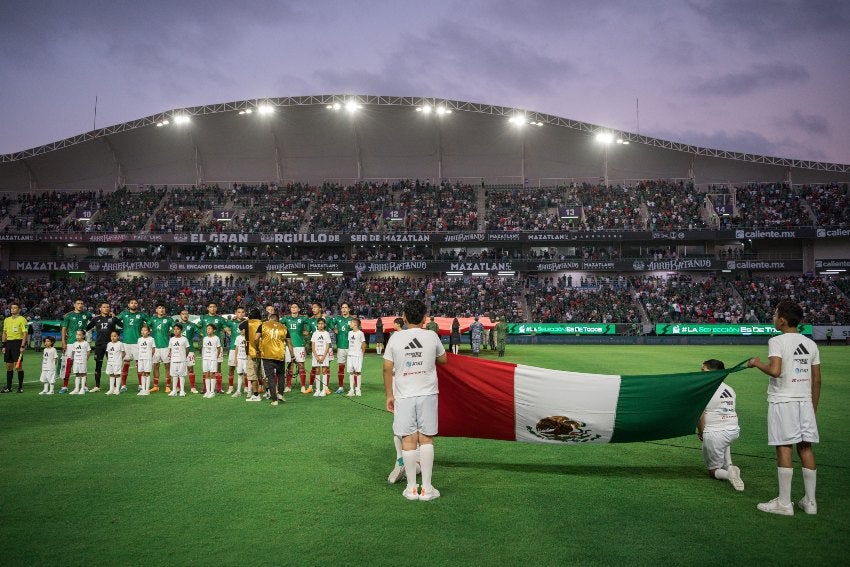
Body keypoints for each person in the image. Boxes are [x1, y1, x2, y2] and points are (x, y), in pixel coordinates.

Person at [748, 300, 821, 516]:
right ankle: (810, 502)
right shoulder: (811, 344)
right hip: (805, 401)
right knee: (805, 447)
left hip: (783, 400)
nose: (773, 317)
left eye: (775, 314)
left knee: (784, 446)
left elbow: (775, 370)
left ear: (782, 320)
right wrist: (812, 409)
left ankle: (784, 503)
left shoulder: (777, 341)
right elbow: (817, 380)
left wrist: (756, 363)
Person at [383, 299, 448, 501]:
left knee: (408, 440)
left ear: (403, 317)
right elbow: (444, 359)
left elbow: (386, 368)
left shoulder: (395, 338)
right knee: (426, 438)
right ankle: (427, 489)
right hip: (427, 393)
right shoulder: (431, 335)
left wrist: (389, 395)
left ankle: (411, 489)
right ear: (425, 318)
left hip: (403, 394)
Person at [697, 359, 744, 491]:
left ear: (713, 374)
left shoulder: (705, 390)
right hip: (733, 430)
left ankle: (728, 474)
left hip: (715, 434)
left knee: (713, 470)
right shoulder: (730, 389)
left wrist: (701, 432)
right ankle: (729, 465)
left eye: (703, 371)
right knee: (723, 439)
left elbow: (700, 415)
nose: (700, 373)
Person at [255, 311, 293, 406]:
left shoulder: (263, 325)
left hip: (267, 355)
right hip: (280, 355)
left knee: (271, 377)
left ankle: (274, 400)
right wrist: (292, 355)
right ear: (278, 319)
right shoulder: (284, 328)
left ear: (269, 318)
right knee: (280, 375)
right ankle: (280, 394)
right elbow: (289, 343)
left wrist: (257, 349)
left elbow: (256, 339)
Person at [86, 302, 123, 393]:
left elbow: (123, 326)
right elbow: (86, 328)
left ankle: (115, 387)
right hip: (99, 345)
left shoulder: (113, 318)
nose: (106, 308)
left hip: (111, 345)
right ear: (100, 309)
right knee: (98, 366)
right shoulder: (96, 319)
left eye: (108, 307)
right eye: (104, 307)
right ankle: (97, 386)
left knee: (114, 365)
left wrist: (116, 318)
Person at [59, 299, 92, 394]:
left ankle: (84, 386)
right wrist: (63, 342)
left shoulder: (87, 314)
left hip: (83, 343)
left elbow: (95, 318)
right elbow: (64, 329)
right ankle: (65, 386)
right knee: (68, 364)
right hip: (71, 342)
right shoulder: (69, 316)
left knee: (83, 364)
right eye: (78, 303)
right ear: (74, 305)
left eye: (82, 303)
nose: (80, 305)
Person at [117, 298, 148, 392]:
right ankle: (123, 386)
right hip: (126, 343)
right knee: (125, 365)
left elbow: (150, 322)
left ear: (137, 305)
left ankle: (140, 385)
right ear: (128, 304)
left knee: (140, 365)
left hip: (137, 343)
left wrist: (145, 329)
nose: (133, 304)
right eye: (132, 303)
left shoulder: (141, 315)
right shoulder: (124, 314)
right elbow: (115, 320)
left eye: (135, 303)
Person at [198, 303, 228, 393]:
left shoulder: (220, 319)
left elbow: (226, 328)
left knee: (218, 367)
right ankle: (205, 388)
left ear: (216, 308)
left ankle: (218, 388)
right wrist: (201, 333)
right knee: (206, 368)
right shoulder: (203, 318)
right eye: (210, 307)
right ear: (208, 308)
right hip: (206, 347)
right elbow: (197, 327)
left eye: (214, 307)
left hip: (217, 346)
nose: (212, 308)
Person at [281, 303, 308, 393]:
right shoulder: (286, 318)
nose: (293, 308)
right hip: (289, 346)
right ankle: (288, 386)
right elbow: (276, 322)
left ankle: (303, 386)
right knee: (290, 366)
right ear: (290, 309)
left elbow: (310, 323)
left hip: (299, 345)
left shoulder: (303, 318)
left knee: (301, 366)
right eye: (292, 307)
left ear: (299, 309)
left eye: (295, 307)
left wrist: (306, 331)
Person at [2, 302, 28, 393]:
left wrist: (23, 345)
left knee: (18, 366)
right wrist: (4, 345)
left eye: (15, 308)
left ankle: (20, 387)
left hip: (17, 343)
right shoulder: (7, 320)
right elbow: (4, 333)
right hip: (8, 343)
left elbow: (25, 333)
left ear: (19, 309)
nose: (12, 309)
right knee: (9, 366)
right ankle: (8, 387)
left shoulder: (22, 319)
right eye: (11, 308)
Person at [148, 303, 174, 393]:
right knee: (156, 366)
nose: (161, 309)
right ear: (156, 310)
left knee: (167, 366)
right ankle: (156, 386)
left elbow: (176, 327)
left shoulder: (169, 319)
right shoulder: (152, 319)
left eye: (163, 308)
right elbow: (145, 327)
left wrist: (170, 333)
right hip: (155, 347)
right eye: (159, 308)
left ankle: (168, 386)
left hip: (166, 347)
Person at [240, 308, 264, 402]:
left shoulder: (247, 323)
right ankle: (268, 392)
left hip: (251, 351)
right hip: (262, 351)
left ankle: (256, 395)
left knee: (252, 374)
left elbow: (240, 326)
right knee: (262, 374)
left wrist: (247, 319)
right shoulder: (262, 322)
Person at [330, 302, 354, 394]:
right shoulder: (337, 318)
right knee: (341, 367)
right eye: (342, 307)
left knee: (352, 368)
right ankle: (341, 387)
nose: (344, 309)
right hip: (340, 347)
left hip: (351, 347)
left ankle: (353, 387)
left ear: (349, 309)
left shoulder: (352, 319)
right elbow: (329, 323)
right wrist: (334, 329)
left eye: (346, 307)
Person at [177, 309, 201, 393]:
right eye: (183, 314)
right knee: (179, 369)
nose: (185, 315)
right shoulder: (177, 325)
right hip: (178, 350)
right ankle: (178, 387)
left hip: (190, 350)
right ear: (180, 315)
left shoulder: (192, 325)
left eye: (186, 314)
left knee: (190, 369)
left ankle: (193, 387)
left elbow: (200, 333)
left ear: (188, 315)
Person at [225, 307, 247, 394]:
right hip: (233, 348)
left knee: (245, 370)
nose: (240, 314)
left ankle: (246, 387)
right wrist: (227, 331)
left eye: (242, 312)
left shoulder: (247, 323)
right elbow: (224, 325)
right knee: (231, 368)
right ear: (236, 313)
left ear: (244, 313)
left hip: (245, 349)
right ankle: (230, 387)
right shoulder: (231, 322)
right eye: (239, 312)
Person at [311, 318, 332, 397]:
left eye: (322, 323)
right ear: (317, 324)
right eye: (319, 323)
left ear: (325, 325)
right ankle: (317, 390)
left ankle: (324, 390)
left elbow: (327, 346)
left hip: (324, 355)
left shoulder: (326, 334)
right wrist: (316, 356)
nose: (320, 325)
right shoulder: (314, 334)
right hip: (316, 355)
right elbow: (313, 346)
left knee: (324, 371)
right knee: (317, 371)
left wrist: (323, 357)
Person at [167, 323, 190, 397]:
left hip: (182, 360)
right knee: (174, 375)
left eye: (177, 329)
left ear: (181, 330)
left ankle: (182, 391)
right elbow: (170, 349)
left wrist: (183, 357)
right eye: (174, 329)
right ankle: (174, 390)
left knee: (182, 375)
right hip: (173, 360)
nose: (176, 331)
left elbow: (187, 349)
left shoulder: (184, 339)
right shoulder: (172, 339)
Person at [346, 317, 366, 397]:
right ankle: (351, 390)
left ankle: (358, 389)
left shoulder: (360, 333)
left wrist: (362, 354)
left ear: (355, 324)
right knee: (351, 372)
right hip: (350, 354)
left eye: (351, 323)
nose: (350, 324)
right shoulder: (350, 333)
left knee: (357, 372)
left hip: (358, 355)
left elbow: (363, 344)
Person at [201, 324, 222, 399]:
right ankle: (208, 391)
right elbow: (204, 348)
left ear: (214, 330)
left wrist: (216, 357)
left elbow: (219, 348)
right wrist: (203, 357)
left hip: (213, 358)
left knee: (212, 373)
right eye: (207, 329)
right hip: (205, 358)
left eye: (210, 329)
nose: (208, 330)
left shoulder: (216, 338)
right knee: (206, 373)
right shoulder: (205, 338)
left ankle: (212, 392)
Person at [69, 329, 91, 395]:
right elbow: (73, 352)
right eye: (77, 334)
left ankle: (82, 388)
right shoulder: (74, 344)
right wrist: (72, 359)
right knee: (77, 374)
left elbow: (88, 352)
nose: (77, 336)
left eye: (79, 335)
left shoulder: (86, 343)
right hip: (76, 361)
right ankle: (76, 389)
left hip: (82, 361)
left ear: (83, 336)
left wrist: (86, 359)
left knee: (83, 374)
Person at [104, 331, 126, 395]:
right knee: (111, 374)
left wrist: (119, 359)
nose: (113, 337)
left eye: (114, 336)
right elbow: (108, 352)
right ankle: (111, 389)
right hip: (110, 362)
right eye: (111, 336)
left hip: (117, 362)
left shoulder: (120, 344)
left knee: (117, 374)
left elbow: (124, 353)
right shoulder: (109, 344)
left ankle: (117, 389)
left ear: (118, 337)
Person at [136, 325, 156, 395]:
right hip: (141, 358)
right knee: (142, 373)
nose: (143, 332)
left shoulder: (151, 339)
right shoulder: (139, 339)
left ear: (148, 332)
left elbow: (153, 349)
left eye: (145, 330)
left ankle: (147, 390)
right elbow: (138, 349)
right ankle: (143, 389)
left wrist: (150, 357)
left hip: (147, 358)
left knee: (147, 373)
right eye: (142, 330)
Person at [232, 326, 248, 398]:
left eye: (243, 329)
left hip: (246, 359)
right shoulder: (238, 337)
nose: (242, 331)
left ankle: (249, 391)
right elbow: (236, 348)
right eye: (241, 329)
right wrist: (235, 358)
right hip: (239, 359)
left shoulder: (248, 337)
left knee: (248, 375)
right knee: (239, 374)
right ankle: (238, 391)